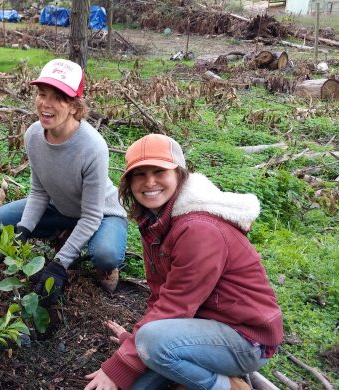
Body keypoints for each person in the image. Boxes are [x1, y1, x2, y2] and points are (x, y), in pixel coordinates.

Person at [84, 134, 283, 390]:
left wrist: (122, 363)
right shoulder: (155, 221)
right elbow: (160, 294)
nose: (150, 182)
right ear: (129, 182)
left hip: (245, 339)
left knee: (151, 344)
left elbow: (174, 306)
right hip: (202, 325)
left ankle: (228, 387)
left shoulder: (198, 228)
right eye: (139, 174)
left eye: (159, 171)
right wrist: (133, 342)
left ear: (179, 174)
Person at [0, 59, 128, 303]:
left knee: (105, 254)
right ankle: (66, 231)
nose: (45, 103)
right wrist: (23, 231)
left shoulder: (93, 147)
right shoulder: (33, 135)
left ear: (74, 106)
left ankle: (97, 258)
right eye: (42, 93)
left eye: (58, 97)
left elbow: (92, 215)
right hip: (61, 207)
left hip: (102, 213)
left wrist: (59, 264)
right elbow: (39, 192)